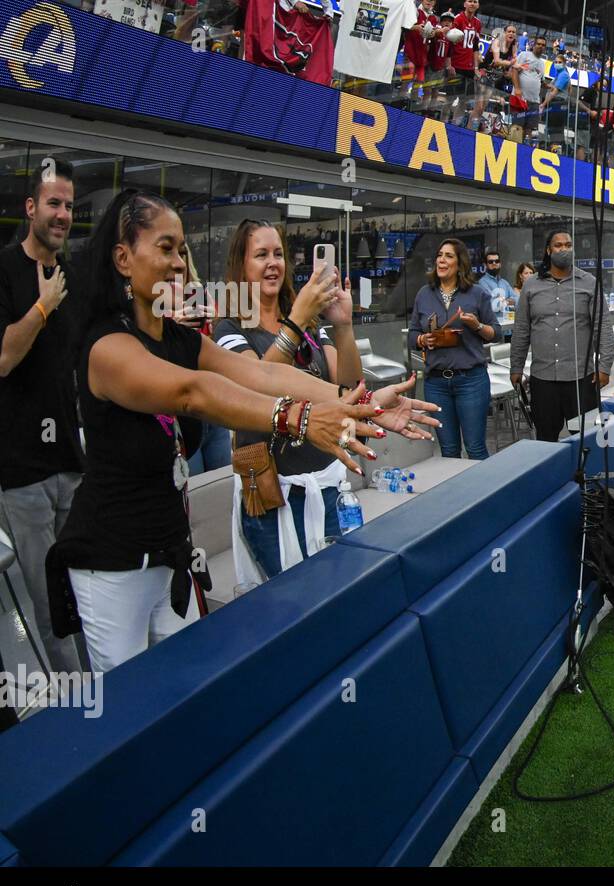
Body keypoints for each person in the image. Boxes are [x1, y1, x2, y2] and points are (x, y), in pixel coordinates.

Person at [49, 190, 434, 673]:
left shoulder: (178, 338)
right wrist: (297, 417)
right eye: (165, 248)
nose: (178, 263)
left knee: (187, 688)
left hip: (170, 554)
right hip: (112, 563)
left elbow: (265, 376)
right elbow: (194, 392)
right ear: (123, 258)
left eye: (181, 250)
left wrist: (360, 406)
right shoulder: (106, 346)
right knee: (127, 709)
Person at [213, 220, 407, 583]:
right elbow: (257, 388)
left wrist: (343, 326)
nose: (273, 263)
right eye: (260, 255)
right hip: (275, 498)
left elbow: (347, 386)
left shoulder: (308, 327)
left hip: (327, 485)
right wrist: (298, 318)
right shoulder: (230, 329)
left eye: (278, 254)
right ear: (241, 265)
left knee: (338, 592)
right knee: (294, 604)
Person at [0, 158, 84, 674]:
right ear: (31, 207)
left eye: (70, 206)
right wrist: (42, 306)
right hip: (22, 472)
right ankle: (78, 706)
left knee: (83, 585)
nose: (63, 214)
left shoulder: (70, 277)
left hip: (70, 463)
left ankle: (104, 689)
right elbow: (4, 358)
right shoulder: (6, 270)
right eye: (54, 203)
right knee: (49, 601)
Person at [510, 230, 613, 441]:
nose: (564, 249)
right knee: (546, 439)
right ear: (548, 250)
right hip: (543, 379)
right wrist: (516, 367)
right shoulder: (531, 285)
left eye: (568, 245)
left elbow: (602, 327)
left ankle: (585, 475)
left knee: (586, 439)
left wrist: (604, 367)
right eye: (558, 245)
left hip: (581, 379)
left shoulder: (589, 282)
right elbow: (521, 329)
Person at [408, 238, 500, 459]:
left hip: (471, 380)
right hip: (436, 384)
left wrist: (476, 325)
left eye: (449, 256)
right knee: (448, 452)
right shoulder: (424, 293)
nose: (442, 260)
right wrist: (423, 340)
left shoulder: (477, 294)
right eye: (440, 255)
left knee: (475, 448)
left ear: (460, 264)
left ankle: (483, 493)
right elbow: (412, 335)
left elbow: (496, 333)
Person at [450, 0, 486, 129]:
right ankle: (442, 124)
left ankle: (455, 126)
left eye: (475, 1)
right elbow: (449, 42)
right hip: (455, 65)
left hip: (469, 67)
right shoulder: (458, 19)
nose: (472, 4)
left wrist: (476, 68)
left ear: (478, 5)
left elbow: (475, 47)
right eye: (470, 1)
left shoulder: (478, 23)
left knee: (464, 100)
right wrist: (449, 64)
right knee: (450, 98)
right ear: (464, 4)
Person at [510, 34, 547, 140]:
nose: (541, 46)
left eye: (543, 45)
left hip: (534, 102)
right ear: (533, 45)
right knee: (517, 128)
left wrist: (548, 85)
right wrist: (517, 89)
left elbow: (540, 79)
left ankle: (524, 153)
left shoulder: (542, 64)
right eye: (538, 44)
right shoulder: (524, 55)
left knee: (529, 130)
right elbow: (514, 70)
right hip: (520, 98)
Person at [476, 249, 516, 322]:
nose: (494, 263)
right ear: (485, 265)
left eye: (497, 261)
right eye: (491, 262)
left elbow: (517, 300)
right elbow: (492, 304)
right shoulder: (482, 282)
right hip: (492, 327)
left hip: (508, 327)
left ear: (500, 264)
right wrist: (508, 301)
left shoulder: (504, 282)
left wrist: (503, 301)